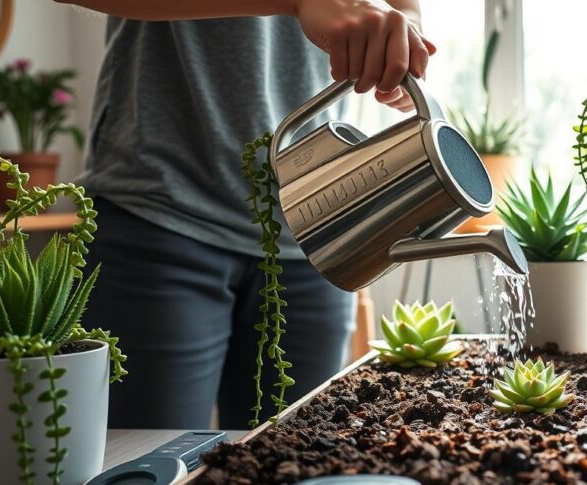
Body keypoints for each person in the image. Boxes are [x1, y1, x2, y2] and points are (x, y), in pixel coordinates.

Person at [57, 0, 436, 429]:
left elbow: (404, 5)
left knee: (303, 471)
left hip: (314, 228)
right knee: (146, 479)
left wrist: (399, 39)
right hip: (159, 214)